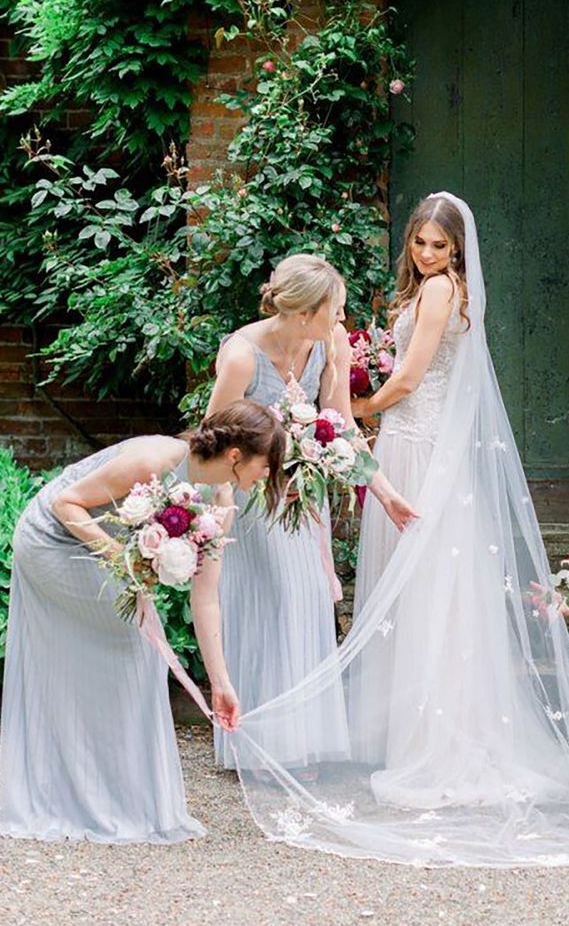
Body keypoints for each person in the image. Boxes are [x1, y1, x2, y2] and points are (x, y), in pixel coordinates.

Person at [226, 193, 569, 867]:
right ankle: (403, 730)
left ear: (457, 251)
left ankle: (437, 739)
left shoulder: (441, 292)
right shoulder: (423, 292)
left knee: (432, 594)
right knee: (408, 598)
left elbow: (409, 378)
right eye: (420, 243)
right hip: (408, 446)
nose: (428, 255)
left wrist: (353, 407)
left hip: (420, 447)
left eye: (440, 246)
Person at [0, 399, 284, 843]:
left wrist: (220, 683)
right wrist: (128, 560)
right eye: (266, 466)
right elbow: (65, 504)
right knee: (135, 648)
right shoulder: (156, 459)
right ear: (235, 456)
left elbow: (206, 598)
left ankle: (110, 794)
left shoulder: (221, 501)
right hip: (51, 543)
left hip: (97, 552)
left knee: (136, 654)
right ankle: (100, 798)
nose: (267, 477)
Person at [206, 254, 416, 771]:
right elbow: (211, 442)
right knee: (269, 601)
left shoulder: (330, 344)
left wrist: (384, 493)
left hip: (304, 498)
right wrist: (232, 501)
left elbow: (340, 424)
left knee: (304, 602)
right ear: (304, 313)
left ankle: (294, 740)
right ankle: (252, 740)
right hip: (251, 498)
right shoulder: (241, 357)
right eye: (336, 311)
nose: (343, 321)